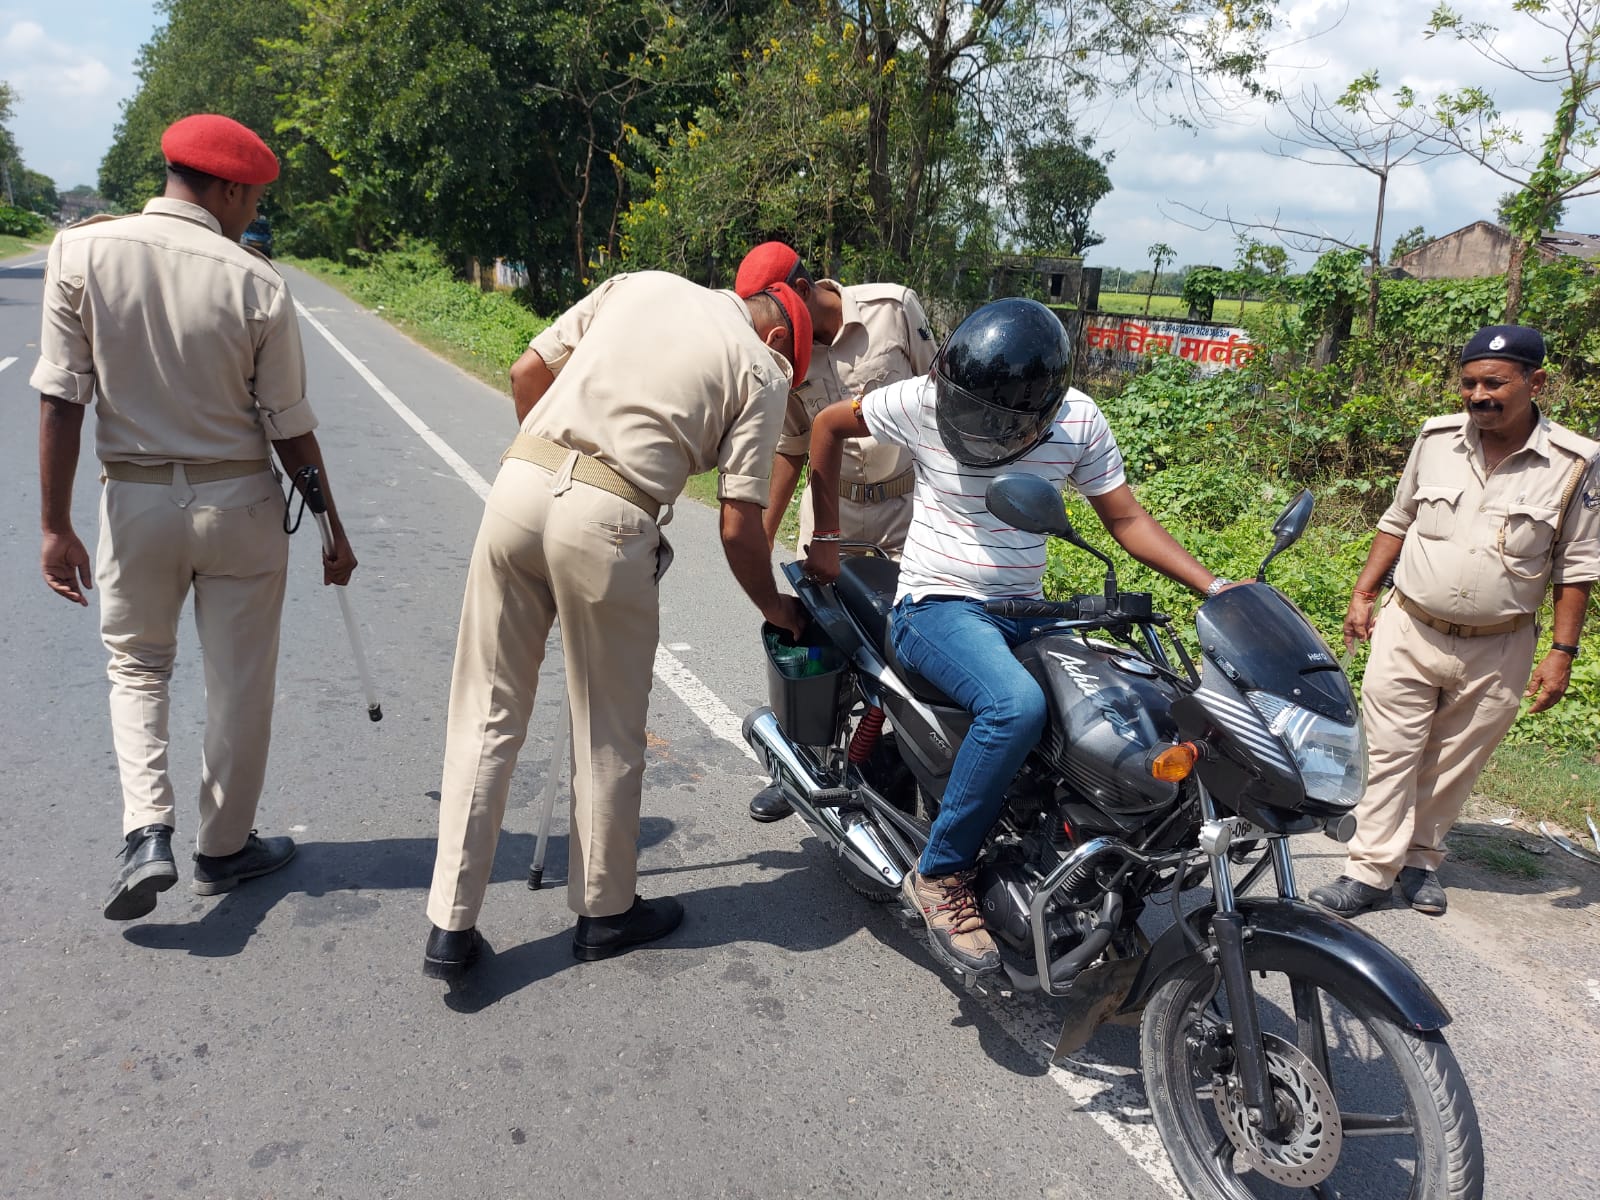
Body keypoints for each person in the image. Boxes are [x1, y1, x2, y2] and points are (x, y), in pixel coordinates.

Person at [803, 298, 1232, 974]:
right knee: (1015, 706)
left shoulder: (1079, 420)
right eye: (966, 408)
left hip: (1027, 609)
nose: (977, 429)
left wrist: (1216, 587)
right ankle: (942, 875)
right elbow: (827, 425)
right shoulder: (920, 399)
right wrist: (826, 535)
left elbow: (1124, 517)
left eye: (999, 423)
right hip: (935, 604)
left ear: (1043, 413)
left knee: (1140, 708)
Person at [423, 271, 812, 979]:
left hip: (519, 483)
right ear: (779, 334)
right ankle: (604, 911)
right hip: (610, 515)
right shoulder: (762, 367)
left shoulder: (641, 284)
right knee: (606, 726)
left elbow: (525, 371)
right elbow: (738, 524)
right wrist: (775, 608)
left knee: (485, 709)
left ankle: (450, 924)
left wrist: (552, 479)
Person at [32, 113, 358, 921]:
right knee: (240, 682)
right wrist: (332, 530)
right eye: (252, 199)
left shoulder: (81, 252)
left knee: (138, 667)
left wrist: (54, 525)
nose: (253, 214)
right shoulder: (255, 281)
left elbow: (61, 401)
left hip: (134, 501)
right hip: (238, 503)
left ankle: (147, 831)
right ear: (230, 188)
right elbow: (290, 425)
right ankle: (223, 846)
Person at [1310, 325, 1599, 918]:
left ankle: (1420, 862)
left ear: (1536, 382)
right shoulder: (1437, 438)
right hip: (1410, 626)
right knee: (1391, 751)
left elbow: (1577, 566)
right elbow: (1398, 519)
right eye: (1468, 382)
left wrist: (1562, 653)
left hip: (1500, 646)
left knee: (1452, 760)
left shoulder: (1576, 462)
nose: (1476, 395)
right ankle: (1368, 871)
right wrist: (1363, 592)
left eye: (1494, 382)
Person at [733, 241, 937, 823]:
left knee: (907, 647)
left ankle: (890, 766)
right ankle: (804, 766)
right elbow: (793, 446)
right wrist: (757, 533)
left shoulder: (892, 308)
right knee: (817, 646)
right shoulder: (786, 353)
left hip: (905, 511)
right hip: (831, 515)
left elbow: (941, 397)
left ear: (798, 290)